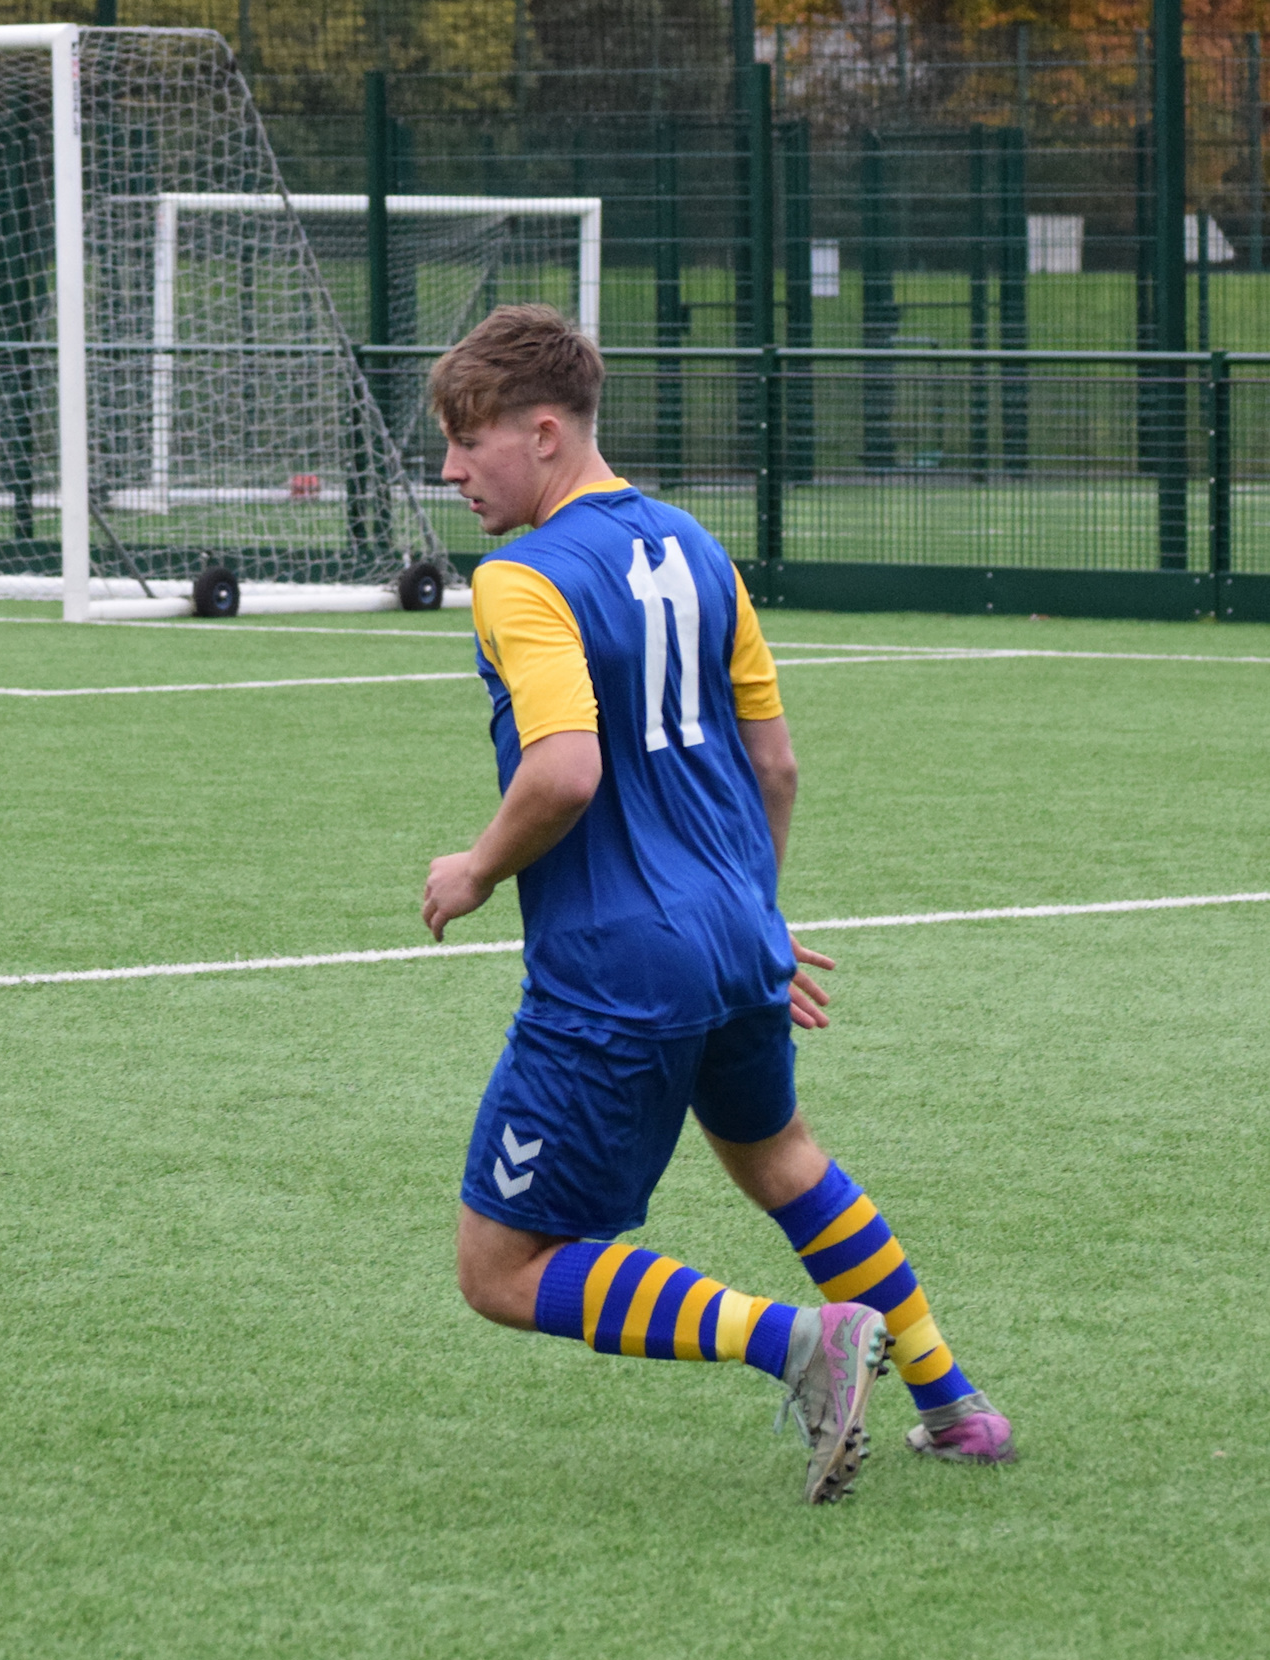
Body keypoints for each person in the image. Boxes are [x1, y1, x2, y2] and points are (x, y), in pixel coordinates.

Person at [419, 304, 1013, 1504]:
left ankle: (796, 1342)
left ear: (543, 433)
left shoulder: (521, 578)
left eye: (467, 441)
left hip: (617, 963)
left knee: (499, 1266)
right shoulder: (699, 548)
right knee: (779, 1155)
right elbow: (774, 767)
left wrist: (474, 868)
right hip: (739, 933)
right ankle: (955, 1405)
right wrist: (753, 919)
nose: (448, 469)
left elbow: (564, 771)